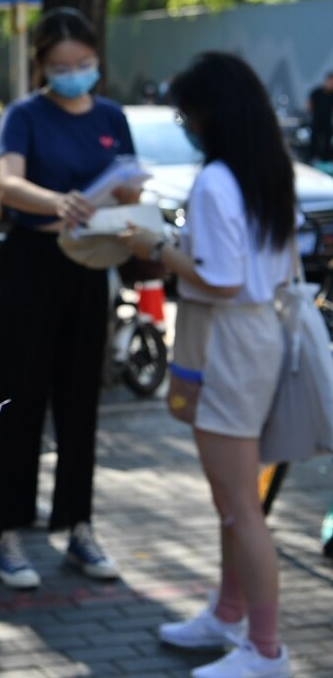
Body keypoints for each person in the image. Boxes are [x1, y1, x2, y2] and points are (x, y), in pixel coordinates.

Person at [121, 52, 295, 678]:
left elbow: (222, 280)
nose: (183, 122)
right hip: (253, 338)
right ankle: (228, 614)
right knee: (235, 501)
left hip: (229, 342)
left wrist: (158, 249)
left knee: (240, 507)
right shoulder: (266, 171)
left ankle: (266, 649)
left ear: (209, 114)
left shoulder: (218, 180)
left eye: (186, 112)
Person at [0, 7, 136, 590]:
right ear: (42, 64)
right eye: (62, 65)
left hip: (90, 267)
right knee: (16, 399)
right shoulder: (24, 115)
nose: (75, 74)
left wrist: (124, 195)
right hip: (32, 264)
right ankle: (5, 531)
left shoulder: (112, 115)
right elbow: (8, 183)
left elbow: (127, 176)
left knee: (79, 401)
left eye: (85, 64)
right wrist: (57, 201)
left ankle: (78, 524)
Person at [307, 71, 333, 164]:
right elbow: (309, 105)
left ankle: (326, 160)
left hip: (327, 123)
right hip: (316, 121)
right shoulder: (317, 92)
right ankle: (311, 159)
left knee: (327, 142)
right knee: (313, 140)